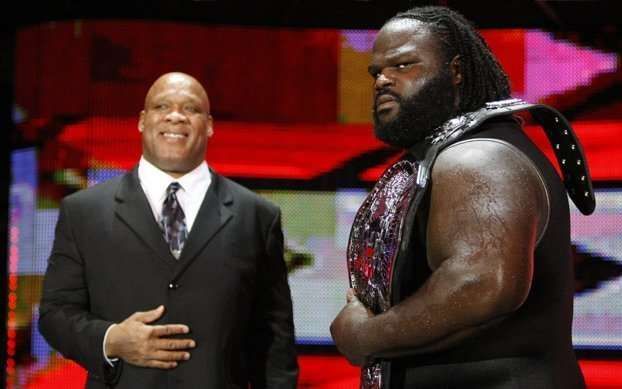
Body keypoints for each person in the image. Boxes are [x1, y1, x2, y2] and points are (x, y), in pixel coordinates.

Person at [330, 6, 588, 389]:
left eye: (403, 65)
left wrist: (364, 337)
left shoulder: (477, 157)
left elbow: (482, 283)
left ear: (455, 71)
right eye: (377, 72)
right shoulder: (459, 150)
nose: (383, 80)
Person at [38, 72, 299, 388]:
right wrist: (112, 339)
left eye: (190, 109)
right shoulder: (84, 212)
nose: (176, 116)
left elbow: (274, 340)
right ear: (142, 121)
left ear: (210, 125)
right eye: (162, 106)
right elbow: (55, 315)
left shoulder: (257, 216)